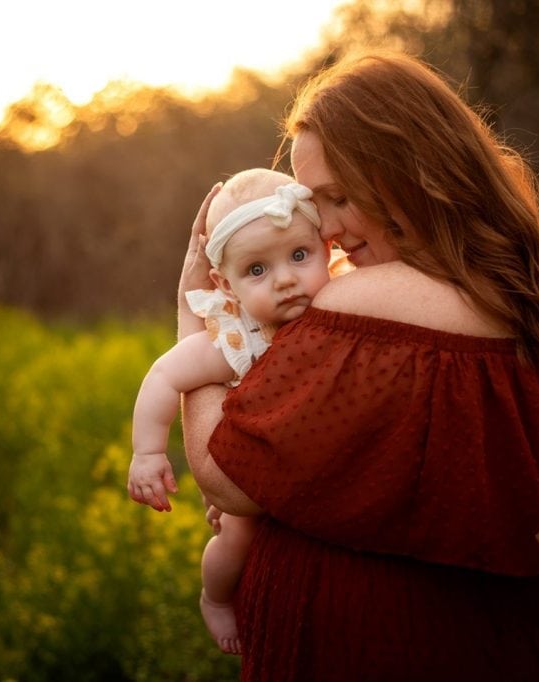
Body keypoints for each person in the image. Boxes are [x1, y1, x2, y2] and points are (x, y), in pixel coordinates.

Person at [178, 50, 539, 681]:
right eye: (316, 209)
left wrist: (192, 313)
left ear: (408, 171)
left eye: (338, 198)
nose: (330, 232)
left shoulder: (360, 305)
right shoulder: (515, 301)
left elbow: (226, 475)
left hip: (386, 648)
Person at [127, 168, 335, 655]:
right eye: (257, 270)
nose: (285, 280)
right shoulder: (239, 339)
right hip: (253, 474)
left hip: (314, 482)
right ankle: (215, 599)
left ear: (328, 248)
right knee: (235, 537)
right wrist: (147, 453)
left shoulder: (345, 307)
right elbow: (164, 376)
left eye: (299, 256)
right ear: (225, 282)